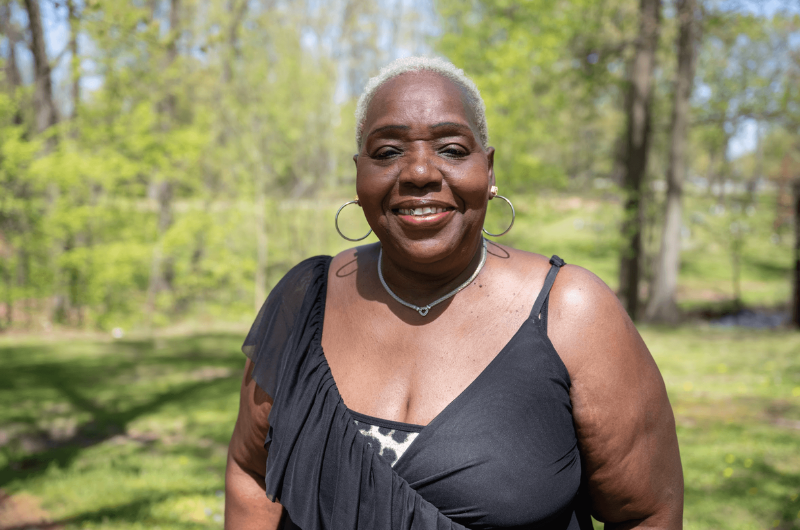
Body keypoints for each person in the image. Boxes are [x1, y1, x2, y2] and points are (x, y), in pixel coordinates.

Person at [225, 56, 683, 530]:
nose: (420, 172)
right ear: (359, 175)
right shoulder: (305, 305)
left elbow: (647, 513)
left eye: (451, 149)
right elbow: (251, 471)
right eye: (388, 152)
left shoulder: (571, 312)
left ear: (489, 170)